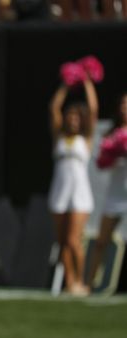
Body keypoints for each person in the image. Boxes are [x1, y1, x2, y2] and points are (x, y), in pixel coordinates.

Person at [48, 78, 97, 296]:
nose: (72, 120)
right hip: (59, 191)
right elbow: (53, 108)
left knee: (73, 240)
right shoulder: (58, 137)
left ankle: (81, 280)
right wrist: (66, 84)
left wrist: (86, 81)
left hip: (79, 194)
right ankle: (70, 283)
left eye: (77, 117)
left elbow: (93, 109)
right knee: (62, 242)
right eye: (70, 116)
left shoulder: (85, 139)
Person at [87, 93, 127, 290]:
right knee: (101, 241)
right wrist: (115, 152)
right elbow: (102, 164)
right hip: (115, 195)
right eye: (122, 103)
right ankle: (89, 283)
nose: (124, 107)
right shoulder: (112, 133)